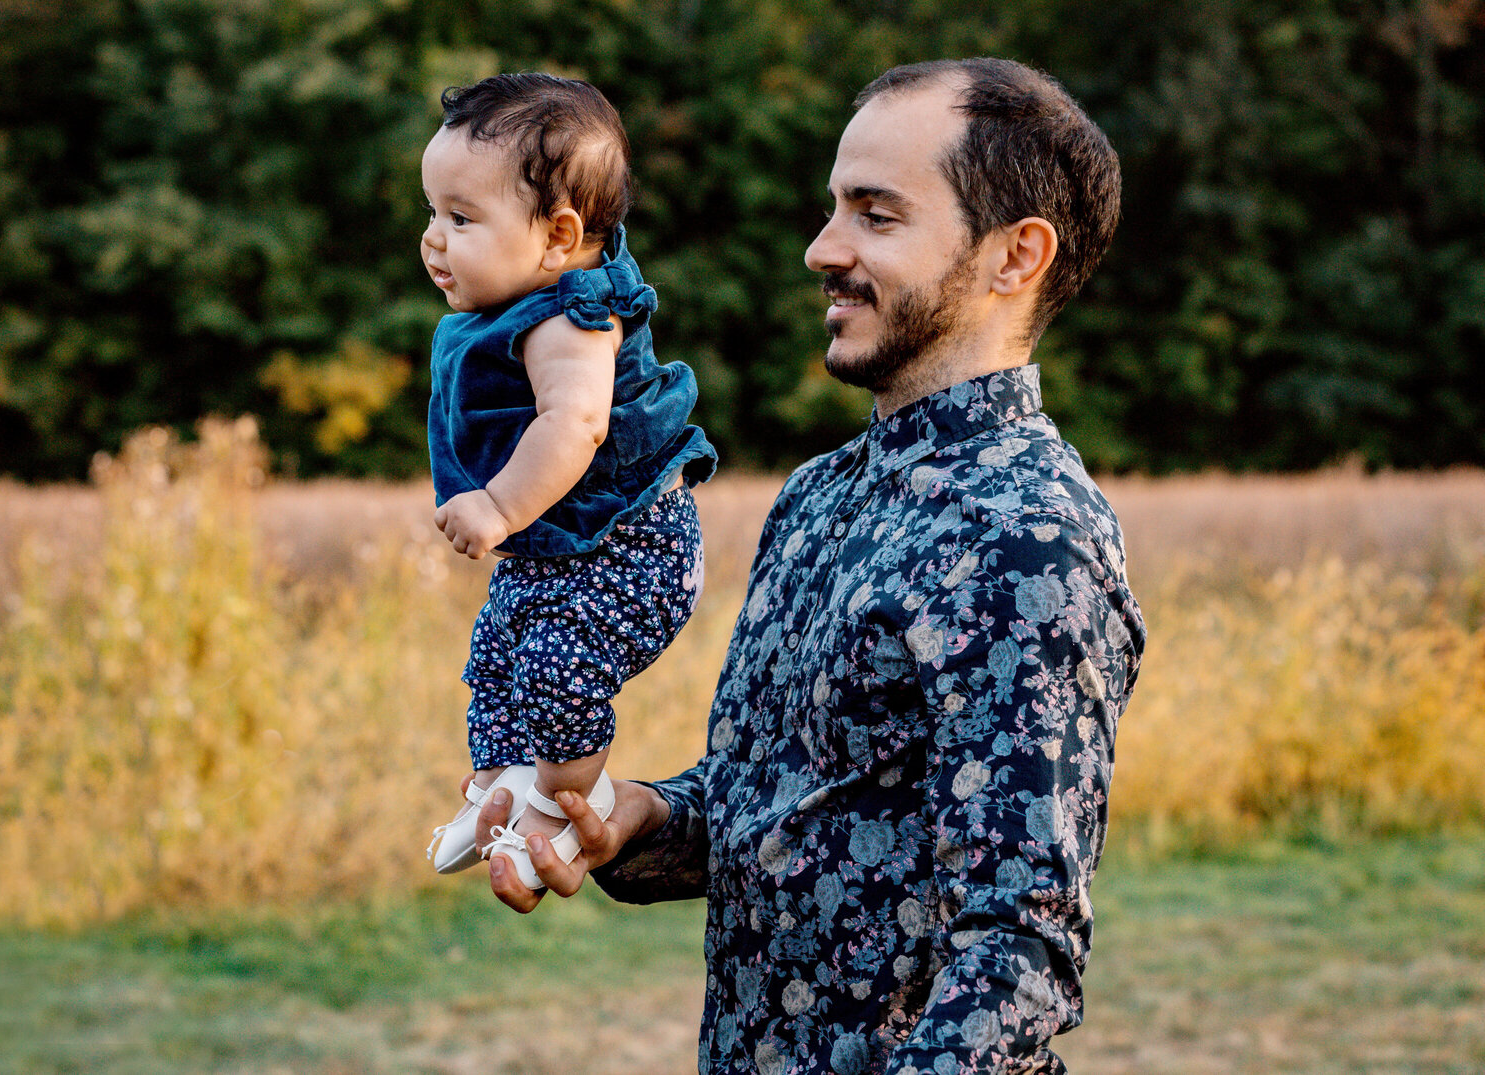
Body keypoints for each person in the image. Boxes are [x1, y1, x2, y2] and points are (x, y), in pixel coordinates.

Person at [474, 57, 1145, 1073]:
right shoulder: (820, 493)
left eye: (876, 216)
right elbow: (784, 808)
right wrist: (640, 818)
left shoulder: (1028, 538)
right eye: (834, 208)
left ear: (1015, 257)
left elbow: (1017, 957)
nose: (820, 248)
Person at [421, 72, 716, 890]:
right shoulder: (516, 301)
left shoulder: (572, 317)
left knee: (558, 659)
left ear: (558, 235)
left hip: (632, 548)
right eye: (433, 214)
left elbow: (575, 426)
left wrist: (497, 504)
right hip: (560, 554)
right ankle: (500, 783)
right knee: (498, 652)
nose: (434, 240)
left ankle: (558, 797)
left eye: (460, 218)